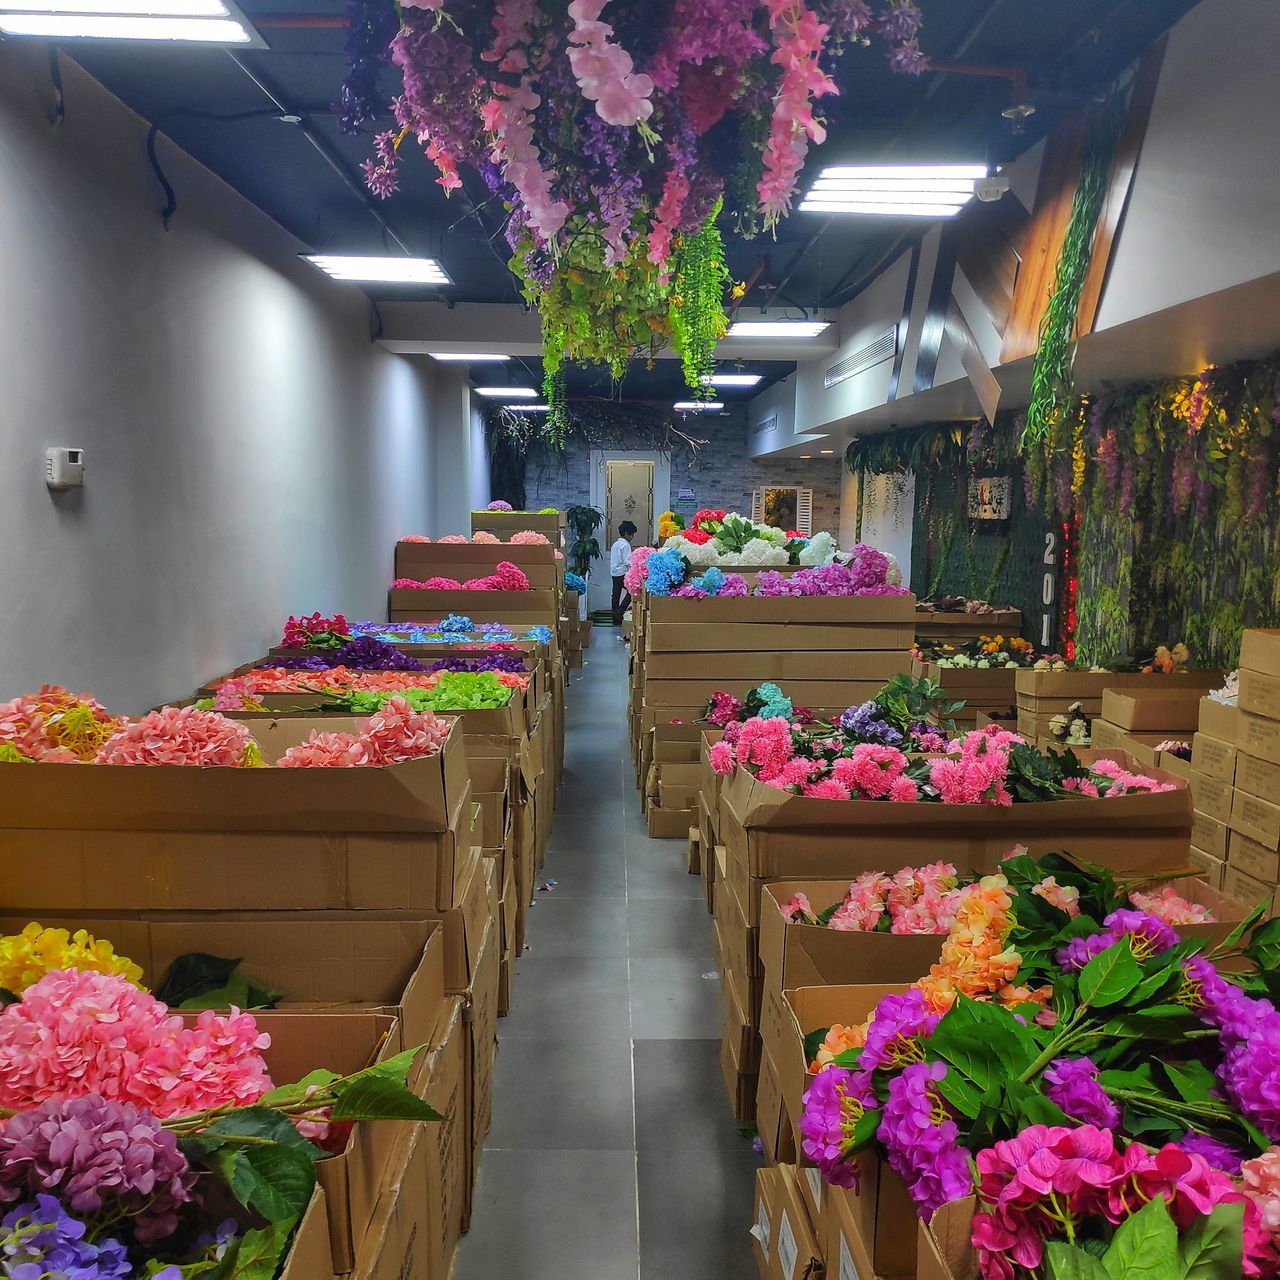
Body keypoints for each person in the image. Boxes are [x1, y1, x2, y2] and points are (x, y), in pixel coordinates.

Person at [610, 520, 637, 630]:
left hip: (614, 572)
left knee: (615, 594)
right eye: (632, 535)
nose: (632, 537)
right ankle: (620, 611)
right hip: (622, 572)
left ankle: (615, 616)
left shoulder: (615, 544)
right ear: (626, 534)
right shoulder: (625, 545)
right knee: (632, 591)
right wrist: (636, 566)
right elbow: (627, 561)